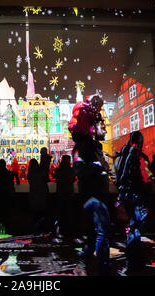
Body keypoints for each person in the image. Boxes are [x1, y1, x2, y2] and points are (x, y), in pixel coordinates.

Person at [68, 94, 111, 276]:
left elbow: (104, 168)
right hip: (93, 197)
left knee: (95, 234)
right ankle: (103, 268)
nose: (105, 130)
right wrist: (96, 166)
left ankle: (83, 264)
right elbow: (78, 169)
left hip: (97, 195)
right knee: (103, 231)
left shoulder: (95, 147)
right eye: (102, 127)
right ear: (93, 127)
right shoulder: (83, 146)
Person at [118, 131, 152, 274]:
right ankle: (134, 262)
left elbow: (120, 175)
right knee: (135, 229)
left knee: (132, 228)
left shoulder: (124, 154)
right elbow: (145, 178)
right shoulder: (138, 157)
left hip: (126, 196)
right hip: (136, 196)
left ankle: (132, 261)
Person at [52, 155, 76, 237]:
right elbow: (74, 179)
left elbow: (54, 177)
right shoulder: (71, 170)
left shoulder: (59, 169)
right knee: (69, 213)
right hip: (69, 193)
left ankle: (59, 230)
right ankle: (69, 231)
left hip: (60, 193)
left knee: (60, 213)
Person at [27, 158, 49, 235]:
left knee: (34, 215)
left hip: (33, 195)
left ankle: (34, 231)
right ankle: (41, 230)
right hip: (42, 195)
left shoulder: (29, 173)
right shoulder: (41, 172)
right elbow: (47, 179)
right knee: (41, 214)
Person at [0, 159, 15, 234]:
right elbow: (11, 185)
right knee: (7, 213)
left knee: (0, 214)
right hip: (7, 195)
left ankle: (0, 230)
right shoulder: (9, 173)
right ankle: (8, 230)